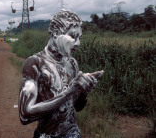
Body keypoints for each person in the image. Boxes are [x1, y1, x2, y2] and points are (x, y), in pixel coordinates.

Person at [18, 10, 104, 138]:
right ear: (56, 33)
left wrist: (83, 91)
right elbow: (24, 115)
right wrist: (69, 92)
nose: (78, 43)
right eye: (73, 37)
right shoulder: (35, 63)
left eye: (80, 38)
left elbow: (76, 107)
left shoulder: (72, 63)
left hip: (74, 134)